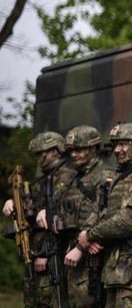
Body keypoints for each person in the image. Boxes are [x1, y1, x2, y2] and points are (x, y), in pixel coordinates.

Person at [77, 122, 132, 308]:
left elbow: (129, 220)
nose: (117, 150)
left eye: (123, 144)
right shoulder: (120, 175)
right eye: (115, 145)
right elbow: (104, 212)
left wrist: (91, 235)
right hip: (116, 269)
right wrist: (87, 235)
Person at [3, 131, 76, 308]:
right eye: (37, 154)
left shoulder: (67, 177)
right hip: (37, 252)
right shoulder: (42, 180)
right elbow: (32, 210)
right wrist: (13, 202)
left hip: (55, 255)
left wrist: (43, 253)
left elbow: (67, 217)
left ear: (57, 151)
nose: (40, 157)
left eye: (44, 152)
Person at [58, 125, 116, 307]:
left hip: (90, 252)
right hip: (72, 248)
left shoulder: (104, 176)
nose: (74, 155)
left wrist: (81, 246)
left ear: (93, 148)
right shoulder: (74, 177)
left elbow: (104, 211)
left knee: (87, 301)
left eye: (79, 150)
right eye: (71, 151)